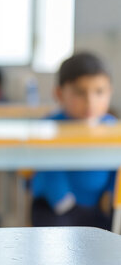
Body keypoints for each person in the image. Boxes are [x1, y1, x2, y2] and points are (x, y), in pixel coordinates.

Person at [31, 52, 116, 230]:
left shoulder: (113, 128)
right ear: (59, 94)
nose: (90, 101)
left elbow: (117, 168)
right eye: (80, 92)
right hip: (56, 205)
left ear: (110, 92)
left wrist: (110, 194)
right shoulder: (49, 127)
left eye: (99, 92)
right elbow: (49, 171)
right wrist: (65, 203)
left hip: (98, 206)